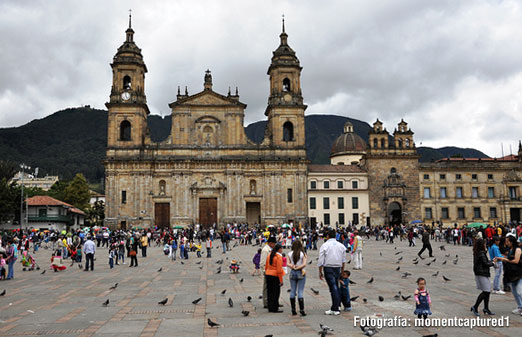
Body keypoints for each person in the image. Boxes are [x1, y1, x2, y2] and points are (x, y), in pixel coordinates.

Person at [318, 229, 347, 315]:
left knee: (333, 287)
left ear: (327, 236)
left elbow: (321, 260)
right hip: (337, 267)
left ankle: (335, 308)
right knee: (335, 286)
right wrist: (342, 271)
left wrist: (320, 271)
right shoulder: (341, 246)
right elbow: (343, 260)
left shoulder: (325, 245)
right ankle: (337, 305)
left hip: (328, 267)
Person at [495, 235, 522, 315]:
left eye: (507, 241)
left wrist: (504, 259)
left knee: (519, 291)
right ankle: (520, 307)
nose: (506, 243)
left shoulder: (517, 249)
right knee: (514, 292)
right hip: (512, 273)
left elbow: (516, 261)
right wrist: (502, 257)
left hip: (519, 273)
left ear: (512, 242)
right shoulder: (511, 249)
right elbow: (510, 258)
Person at [471, 238, 495, 316]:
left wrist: (491, 261)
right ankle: (475, 306)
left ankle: (486, 308)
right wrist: (493, 263)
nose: (485, 245)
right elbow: (485, 263)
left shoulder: (477, 252)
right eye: (484, 243)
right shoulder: (481, 253)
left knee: (487, 292)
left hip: (480, 272)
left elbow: (484, 262)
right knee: (486, 291)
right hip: (482, 273)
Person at [287, 239, 307, 316]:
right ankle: (301, 309)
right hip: (301, 272)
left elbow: (287, 263)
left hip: (292, 272)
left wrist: (293, 266)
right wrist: (298, 267)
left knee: (292, 291)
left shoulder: (289, 253)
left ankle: (293, 309)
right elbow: (304, 264)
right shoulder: (303, 254)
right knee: (300, 291)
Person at [265, 243, 285, 313]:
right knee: (276, 292)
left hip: (268, 274)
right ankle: (275, 307)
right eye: (281, 248)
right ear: (279, 249)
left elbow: (266, 266)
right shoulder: (279, 257)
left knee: (269, 292)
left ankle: (270, 307)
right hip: (275, 276)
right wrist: (281, 280)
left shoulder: (269, 255)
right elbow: (279, 270)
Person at [261, 236, 277, 309]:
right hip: (267, 271)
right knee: (266, 287)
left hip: (271, 271)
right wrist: (265, 271)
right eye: (274, 243)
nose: (274, 245)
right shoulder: (265, 250)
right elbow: (263, 262)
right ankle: (266, 302)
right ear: (270, 243)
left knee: (271, 287)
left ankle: (272, 301)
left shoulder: (270, 249)